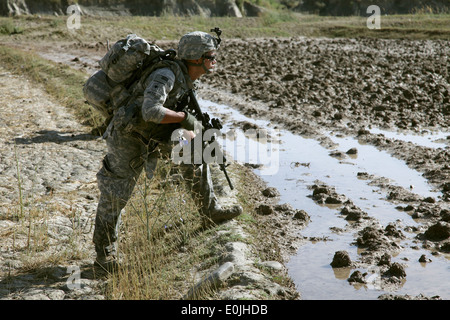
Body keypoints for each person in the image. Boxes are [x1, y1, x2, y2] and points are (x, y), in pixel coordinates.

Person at [93, 31, 242, 271]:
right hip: (128, 137)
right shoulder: (166, 75)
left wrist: (192, 131)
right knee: (115, 194)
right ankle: (104, 257)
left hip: (155, 135)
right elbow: (150, 111)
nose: (215, 60)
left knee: (194, 149)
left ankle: (210, 211)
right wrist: (185, 118)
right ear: (196, 58)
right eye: (211, 56)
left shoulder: (186, 77)